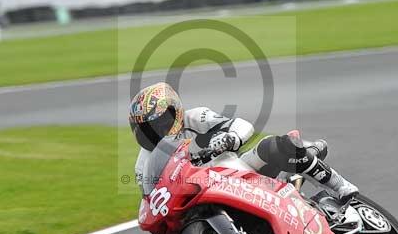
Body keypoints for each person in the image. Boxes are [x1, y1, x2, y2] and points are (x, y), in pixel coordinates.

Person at [129, 82, 359, 205]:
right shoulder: (143, 164)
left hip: (239, 173)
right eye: (146, 129)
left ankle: (340, 186)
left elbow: (243, 125)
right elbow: (150, 200)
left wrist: (231, 138)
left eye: (159, 124)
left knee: (274, 145)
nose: (155, 133)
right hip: (201, 197)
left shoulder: (195, 118)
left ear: (175, 112)